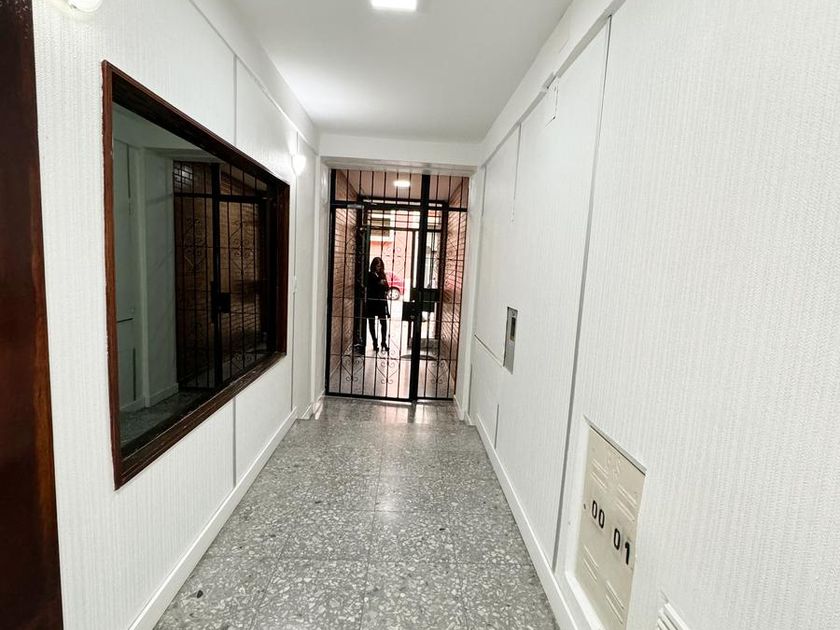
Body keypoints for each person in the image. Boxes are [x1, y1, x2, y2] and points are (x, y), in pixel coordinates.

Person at [365, 257, 390, 353]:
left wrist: (384, 285)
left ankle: (383, 342)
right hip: (372, 302)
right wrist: (379, 283)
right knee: (371, 323)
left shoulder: (382, 274)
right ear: (374, 266)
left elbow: (387, 287)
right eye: (377, 266)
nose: (379, 268)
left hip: (381, 303)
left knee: (383, 323)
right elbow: (370, 288)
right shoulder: (369, 275)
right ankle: (374, 342)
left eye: (380, 266)